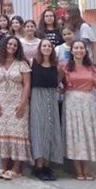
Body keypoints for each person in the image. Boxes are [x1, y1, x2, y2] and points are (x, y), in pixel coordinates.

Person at [0, 36, 32, 180]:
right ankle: (3, 165)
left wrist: (22, 103)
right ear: (4, 45)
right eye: (9, 44)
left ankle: (17, 168)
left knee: (18, 132)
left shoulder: (22, 64)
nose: (12, 47)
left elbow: (27, 84)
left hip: (17, 103)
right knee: (2, 131)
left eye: (15, 45)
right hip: (1, 104)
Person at [61, 40, 96, 180]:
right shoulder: (65, 67)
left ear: (85, 51)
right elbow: (58, 83)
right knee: (74, 134)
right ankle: (78, 169)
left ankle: (87, 168)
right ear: (71, 51)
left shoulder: (92, 67)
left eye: (81, 48)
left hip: (88, 103)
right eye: (76, 48)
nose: (79, 50)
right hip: (72, 103)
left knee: (87, 134)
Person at [29, 39, 63, 181]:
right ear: (40, 48)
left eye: (49, 46)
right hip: (37, 96)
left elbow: (58, 81)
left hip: (51, 97)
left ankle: (47, 166)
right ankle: (38, 166)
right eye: (44, 46)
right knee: (38, 130)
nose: (47, 48)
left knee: (50, 129)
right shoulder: (33, 63)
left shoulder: (56, 65)